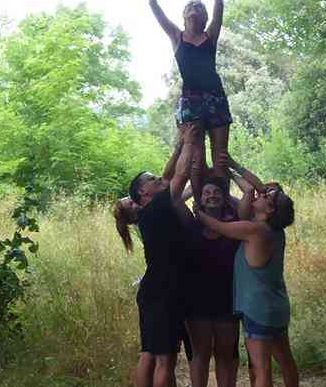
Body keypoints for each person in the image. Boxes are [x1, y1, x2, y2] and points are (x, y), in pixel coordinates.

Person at [193, 161, 298, 387]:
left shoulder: (253, 230)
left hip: (258, 309)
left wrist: (198, 213)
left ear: (269, 209)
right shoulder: (274, 230)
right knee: (286, 361)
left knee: (262, 370)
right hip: (278, 306)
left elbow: (219, 227)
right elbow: (251, 190)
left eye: (264, 197)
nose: (259, 195)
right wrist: (231, 169)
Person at [148, 0, 235, 206]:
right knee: (196, 160)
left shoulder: (211, 35)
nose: (195, 8)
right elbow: (153, 5)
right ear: (185, 15)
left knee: (220, 157)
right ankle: (201, 207)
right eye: (191, 7)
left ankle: (223, 206)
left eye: (200, 7)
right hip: (191, 101)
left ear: (205, 17)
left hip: (216, 97)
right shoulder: (177, 36)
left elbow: (219, 2)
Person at [123, 125, 201, 387]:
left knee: (151, 355)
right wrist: (188, 142)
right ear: (143, 193)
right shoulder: (155, 207)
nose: (158, 180)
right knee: (164, 361)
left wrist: (180, 145)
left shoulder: (153, 209)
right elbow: (178, 175)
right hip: (161, 292)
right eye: (152, 180)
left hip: (156, 291)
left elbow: (170, 176)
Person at [180, 173, 253, 387]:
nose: (212, 196)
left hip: (227, 299)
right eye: (207, 193)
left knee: (226, 356)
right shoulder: (190, 224)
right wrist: (195, 189)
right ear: (199, 198)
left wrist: (225, 190)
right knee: (200, 355)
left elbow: (247, 196)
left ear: (226, 196)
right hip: (195, 302)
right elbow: (174, 200)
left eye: (216, 192)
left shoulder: (235, 224)